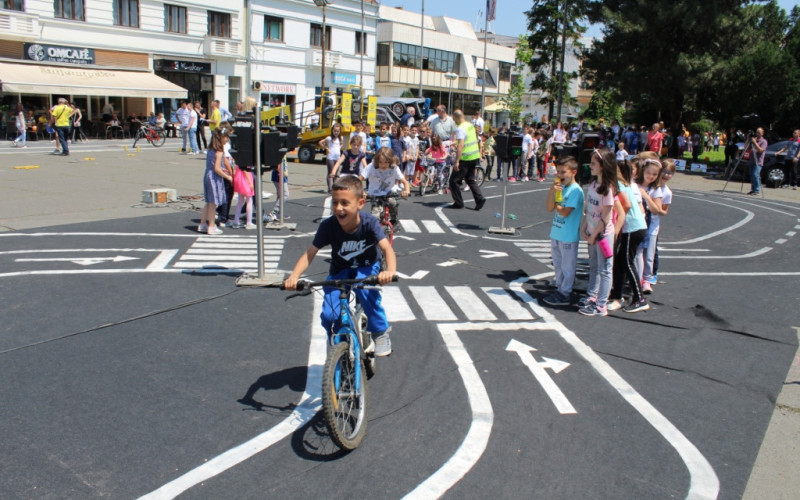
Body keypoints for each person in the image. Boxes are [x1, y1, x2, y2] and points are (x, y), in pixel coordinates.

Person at [283, 175, 398, 356]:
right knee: (329, 314)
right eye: (335, 203)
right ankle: (339, 340)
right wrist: (294, 276)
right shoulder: (328, 226)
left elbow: (386, 249)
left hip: (367, 266)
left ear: (360, 203)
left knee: (365, 289)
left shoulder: (369, 223)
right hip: (340, 270)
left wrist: (390, 271)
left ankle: (380, 332)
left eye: (345, 203)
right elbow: (310, 253)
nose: (339, 208)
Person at [607, 153, 650, 313]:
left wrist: (616, 230)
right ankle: (617, 296)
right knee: (620, 262)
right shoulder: (623, 183)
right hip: (633, 227)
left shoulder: (618, 184)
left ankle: (639, 299)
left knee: (626, 261)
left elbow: (626, 204)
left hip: (633, 227)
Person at [577, 148, 618, 317]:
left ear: (602, 166)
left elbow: (606, 218)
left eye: (593, 163)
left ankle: (601, 305)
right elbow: (590, 210)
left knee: (605, 269)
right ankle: (592, 295)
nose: (590, 166)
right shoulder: (593, 185)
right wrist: (584, 228)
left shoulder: (608, 189)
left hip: (603, 236)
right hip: (592, 232)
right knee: (593, 266)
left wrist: (594, 235)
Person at [543, 156, 585, 306]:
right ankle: (560, 288)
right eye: (558, 172)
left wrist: (556, 205)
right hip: (556, 232)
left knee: (568, 266)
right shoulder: (561, 188)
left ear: (574, 172)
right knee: (558, 264)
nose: (560, 176)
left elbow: (566, 212)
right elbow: (549, 208)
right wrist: (551, 193)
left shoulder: (575, 190)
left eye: (563, 172)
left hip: (568, 235)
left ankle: (565, 292)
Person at [635, 155, 666, 295]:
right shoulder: (635, 184)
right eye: (648, 173)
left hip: (651, 226)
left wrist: (646, 196)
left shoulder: (656, 189)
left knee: (649, 254)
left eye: (654, 174)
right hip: (636, 224)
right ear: (643, 171)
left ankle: (647, 279)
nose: (651, 176)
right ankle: (636, 278)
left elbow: (657, 210)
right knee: (636, 253)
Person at [447, 110, 486, 211]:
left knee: (453, 181)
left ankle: (458, 203)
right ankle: (479, 199)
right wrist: (455, 142)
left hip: (465, 157)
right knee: (470, 179)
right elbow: (470, 139)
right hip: (474, 156)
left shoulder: (460, 128)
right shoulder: (469, 125)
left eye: (454, 119)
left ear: (455, 118)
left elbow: (461, 145)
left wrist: (457, 161)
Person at [198, 128, 233, 235]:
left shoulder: (210, 149)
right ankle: (212, 226)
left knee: (208, 202)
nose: (227, 139)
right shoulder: (219, 151)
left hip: (208, 175)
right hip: (214, 177)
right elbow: (217, 168)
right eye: (226, 137)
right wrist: (228, 177)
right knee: (213, 203)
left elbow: (213, 165)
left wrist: (220, 169)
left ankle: (202, 224)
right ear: (221, 137)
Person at [319, 123, 343, 193]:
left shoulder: (341, 138)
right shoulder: (329, 138)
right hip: (330, 157)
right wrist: (326, 148)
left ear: (339, 132)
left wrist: (339, 149)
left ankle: (335, 188)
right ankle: (330, 189)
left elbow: (341, 144)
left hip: (337, 158)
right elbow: (320, 142)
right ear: (332, 131)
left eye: (337, 131)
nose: (336, 133)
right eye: (335, 131)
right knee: (330, 173)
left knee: (336, 173)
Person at [232, 161, 256, 229]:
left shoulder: (238, 157)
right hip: (245, 178)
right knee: (249, 200)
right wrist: (250, 182)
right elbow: (246, 170)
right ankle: (249, 222)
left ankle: (236, 220)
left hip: (239, 177)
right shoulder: (246, 157)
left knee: (240, 200)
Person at [747, 127, 767, 195]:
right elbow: (745, 146)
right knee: (752, 175)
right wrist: (748, 139)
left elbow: (761, 150)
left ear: (762, 133)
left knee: (755, 175)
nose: (757, 134)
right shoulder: (754, 139)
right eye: (757, 132)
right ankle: (753, 189)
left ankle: (757, 190)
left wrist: (755, 143)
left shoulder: (764, 141)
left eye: (759, 132)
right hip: (752, 160)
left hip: (758, 161)